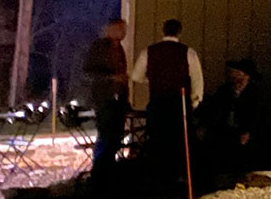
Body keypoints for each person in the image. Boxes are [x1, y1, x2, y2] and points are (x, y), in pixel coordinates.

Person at [131, 18, 205, 180]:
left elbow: (136, 76)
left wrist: (152, 81)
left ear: (163, 31)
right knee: (180, 140)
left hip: (158, 101)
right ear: (179, 32)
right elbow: (197, 79)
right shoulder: (188, 52)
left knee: (158, 139)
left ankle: (159, 175)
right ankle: (179, 174)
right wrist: (195, 101)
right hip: (180, 102)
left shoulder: (149, 52)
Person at [80, 18, 129, 184]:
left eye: (125, 30)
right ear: (110, 30)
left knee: (116, 136)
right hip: (104, 99)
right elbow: (87, 73)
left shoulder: (119, 48)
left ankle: (110, 169)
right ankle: (99, 172)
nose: (124, 33)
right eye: (120, 29)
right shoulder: (99, 47)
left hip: (119, 99)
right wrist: (111, 78)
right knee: (105, 135)